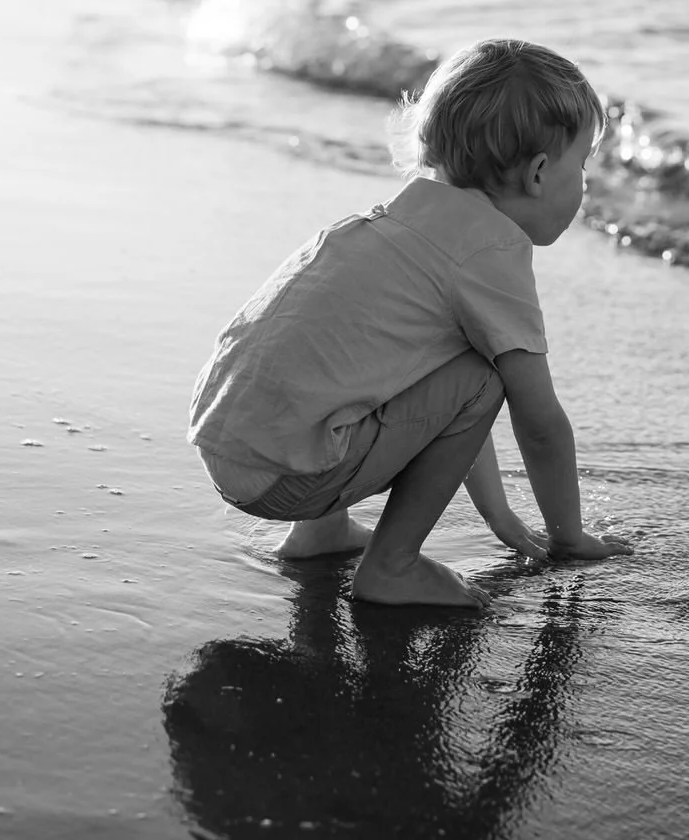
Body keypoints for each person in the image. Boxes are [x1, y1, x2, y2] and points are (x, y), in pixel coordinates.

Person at [189, 38, 634, 608]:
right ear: (541, 173)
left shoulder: (399, 222)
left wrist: (497, 512)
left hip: (231, 449)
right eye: (584, 166)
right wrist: (569, 537)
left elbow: (421, 387)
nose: (585, 184)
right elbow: (539, 420)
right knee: (484, 374)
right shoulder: (488, 251)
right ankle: (391, 567)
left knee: (390, 362)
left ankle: (321, 532)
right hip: (288, 476)